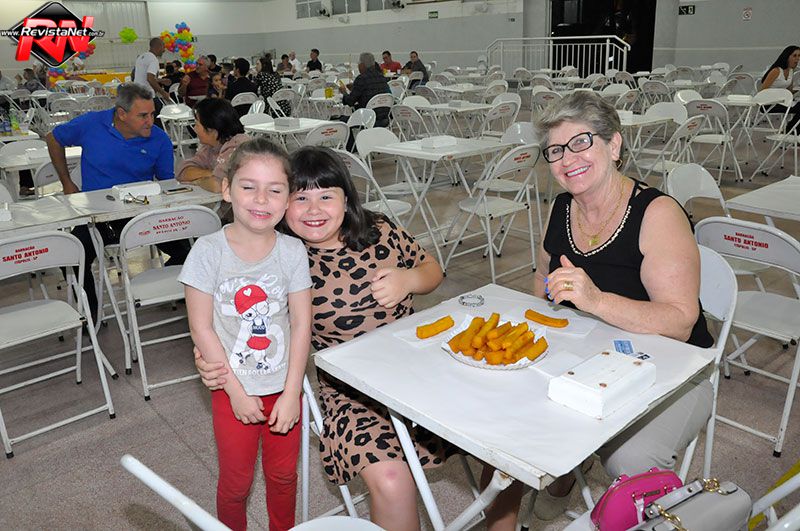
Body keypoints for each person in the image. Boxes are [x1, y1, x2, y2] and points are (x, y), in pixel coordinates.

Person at [483, 91, 714, 529]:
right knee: (505, 406)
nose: (567, 159)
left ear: (614, 145)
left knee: (630, 457)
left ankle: (581, 473)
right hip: (589, 349)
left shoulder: (658, 213)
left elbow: (681, 321)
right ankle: (559, 474)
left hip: (675, 369)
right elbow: (542, 279)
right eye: (555, 150)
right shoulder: (562, 206)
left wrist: (596, 300)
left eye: (581, 142)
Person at [195, 146, 451, 531]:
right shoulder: (283, 258)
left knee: (501, 429)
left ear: (346, 199)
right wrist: (208, 358)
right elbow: (244, 323)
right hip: (352, 393)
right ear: (284, 205)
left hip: (418, 368)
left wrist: (409, 279)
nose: (313, 210)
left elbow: (432, 269)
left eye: (326, 196)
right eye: (301, 198)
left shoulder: (380, 229)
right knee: (392, 479)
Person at [179, 137, 312, 531]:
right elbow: (201, 327)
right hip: (231, 388)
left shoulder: (292, 251)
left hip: (284, 388)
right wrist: (236, 392)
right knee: (236, 483)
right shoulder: (207, 251)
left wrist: (292, 392)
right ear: (227, 189)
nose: (261, 200)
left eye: (275, 190)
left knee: (283, 476)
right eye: (249, 186)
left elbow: (301, 323)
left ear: (287, 199)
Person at [45, 83, 188, 317]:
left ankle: (164, 287)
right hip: (97, 218)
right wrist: (66, 182)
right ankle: (92, 316)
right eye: (143, 115)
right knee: (71, 256)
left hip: (141, 217)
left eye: (152, 114)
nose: (150, 121)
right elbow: (53, 138)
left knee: (192, 248)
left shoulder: (159, 139)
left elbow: (166, 184)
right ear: (121, 114)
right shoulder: (91, 124)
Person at [177, 98, 249, 193]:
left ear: (212, 130)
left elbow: (217, 185)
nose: (194, 129)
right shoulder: (210, 146)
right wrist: (210, 173)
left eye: (197, 125)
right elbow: (183, 172)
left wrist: (198, 181)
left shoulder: (239, 146)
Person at [338, 52, 391, 142]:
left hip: (368, 118)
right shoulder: (381, 77)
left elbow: (350, 102)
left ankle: (352, 147)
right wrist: (354, 88)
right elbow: (370, 92)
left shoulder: (361, 78)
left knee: (343, 120)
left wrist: (344, 92)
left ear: (362, 65)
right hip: (384, 117)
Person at [760, 45, 800, 133]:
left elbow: (789, 91)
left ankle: (791, 130)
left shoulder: (790, 71)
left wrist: (797, 90)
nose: (797, 59)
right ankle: (790, 131)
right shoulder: (776, 71)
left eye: (799, 56)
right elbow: (762, 91)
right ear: (787, 56)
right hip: (769, 104)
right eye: (794, 56)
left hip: (782, 102)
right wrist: (778, 94)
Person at [133, 37, 171, 103]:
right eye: (163, 47)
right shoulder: (153, 59)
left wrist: (161, 80)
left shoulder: (141, 57)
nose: (164, 50)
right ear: (158, 46)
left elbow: (141, 76)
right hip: (147, 95)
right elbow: (150, 79)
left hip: (137, 94)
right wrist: (163, 93)